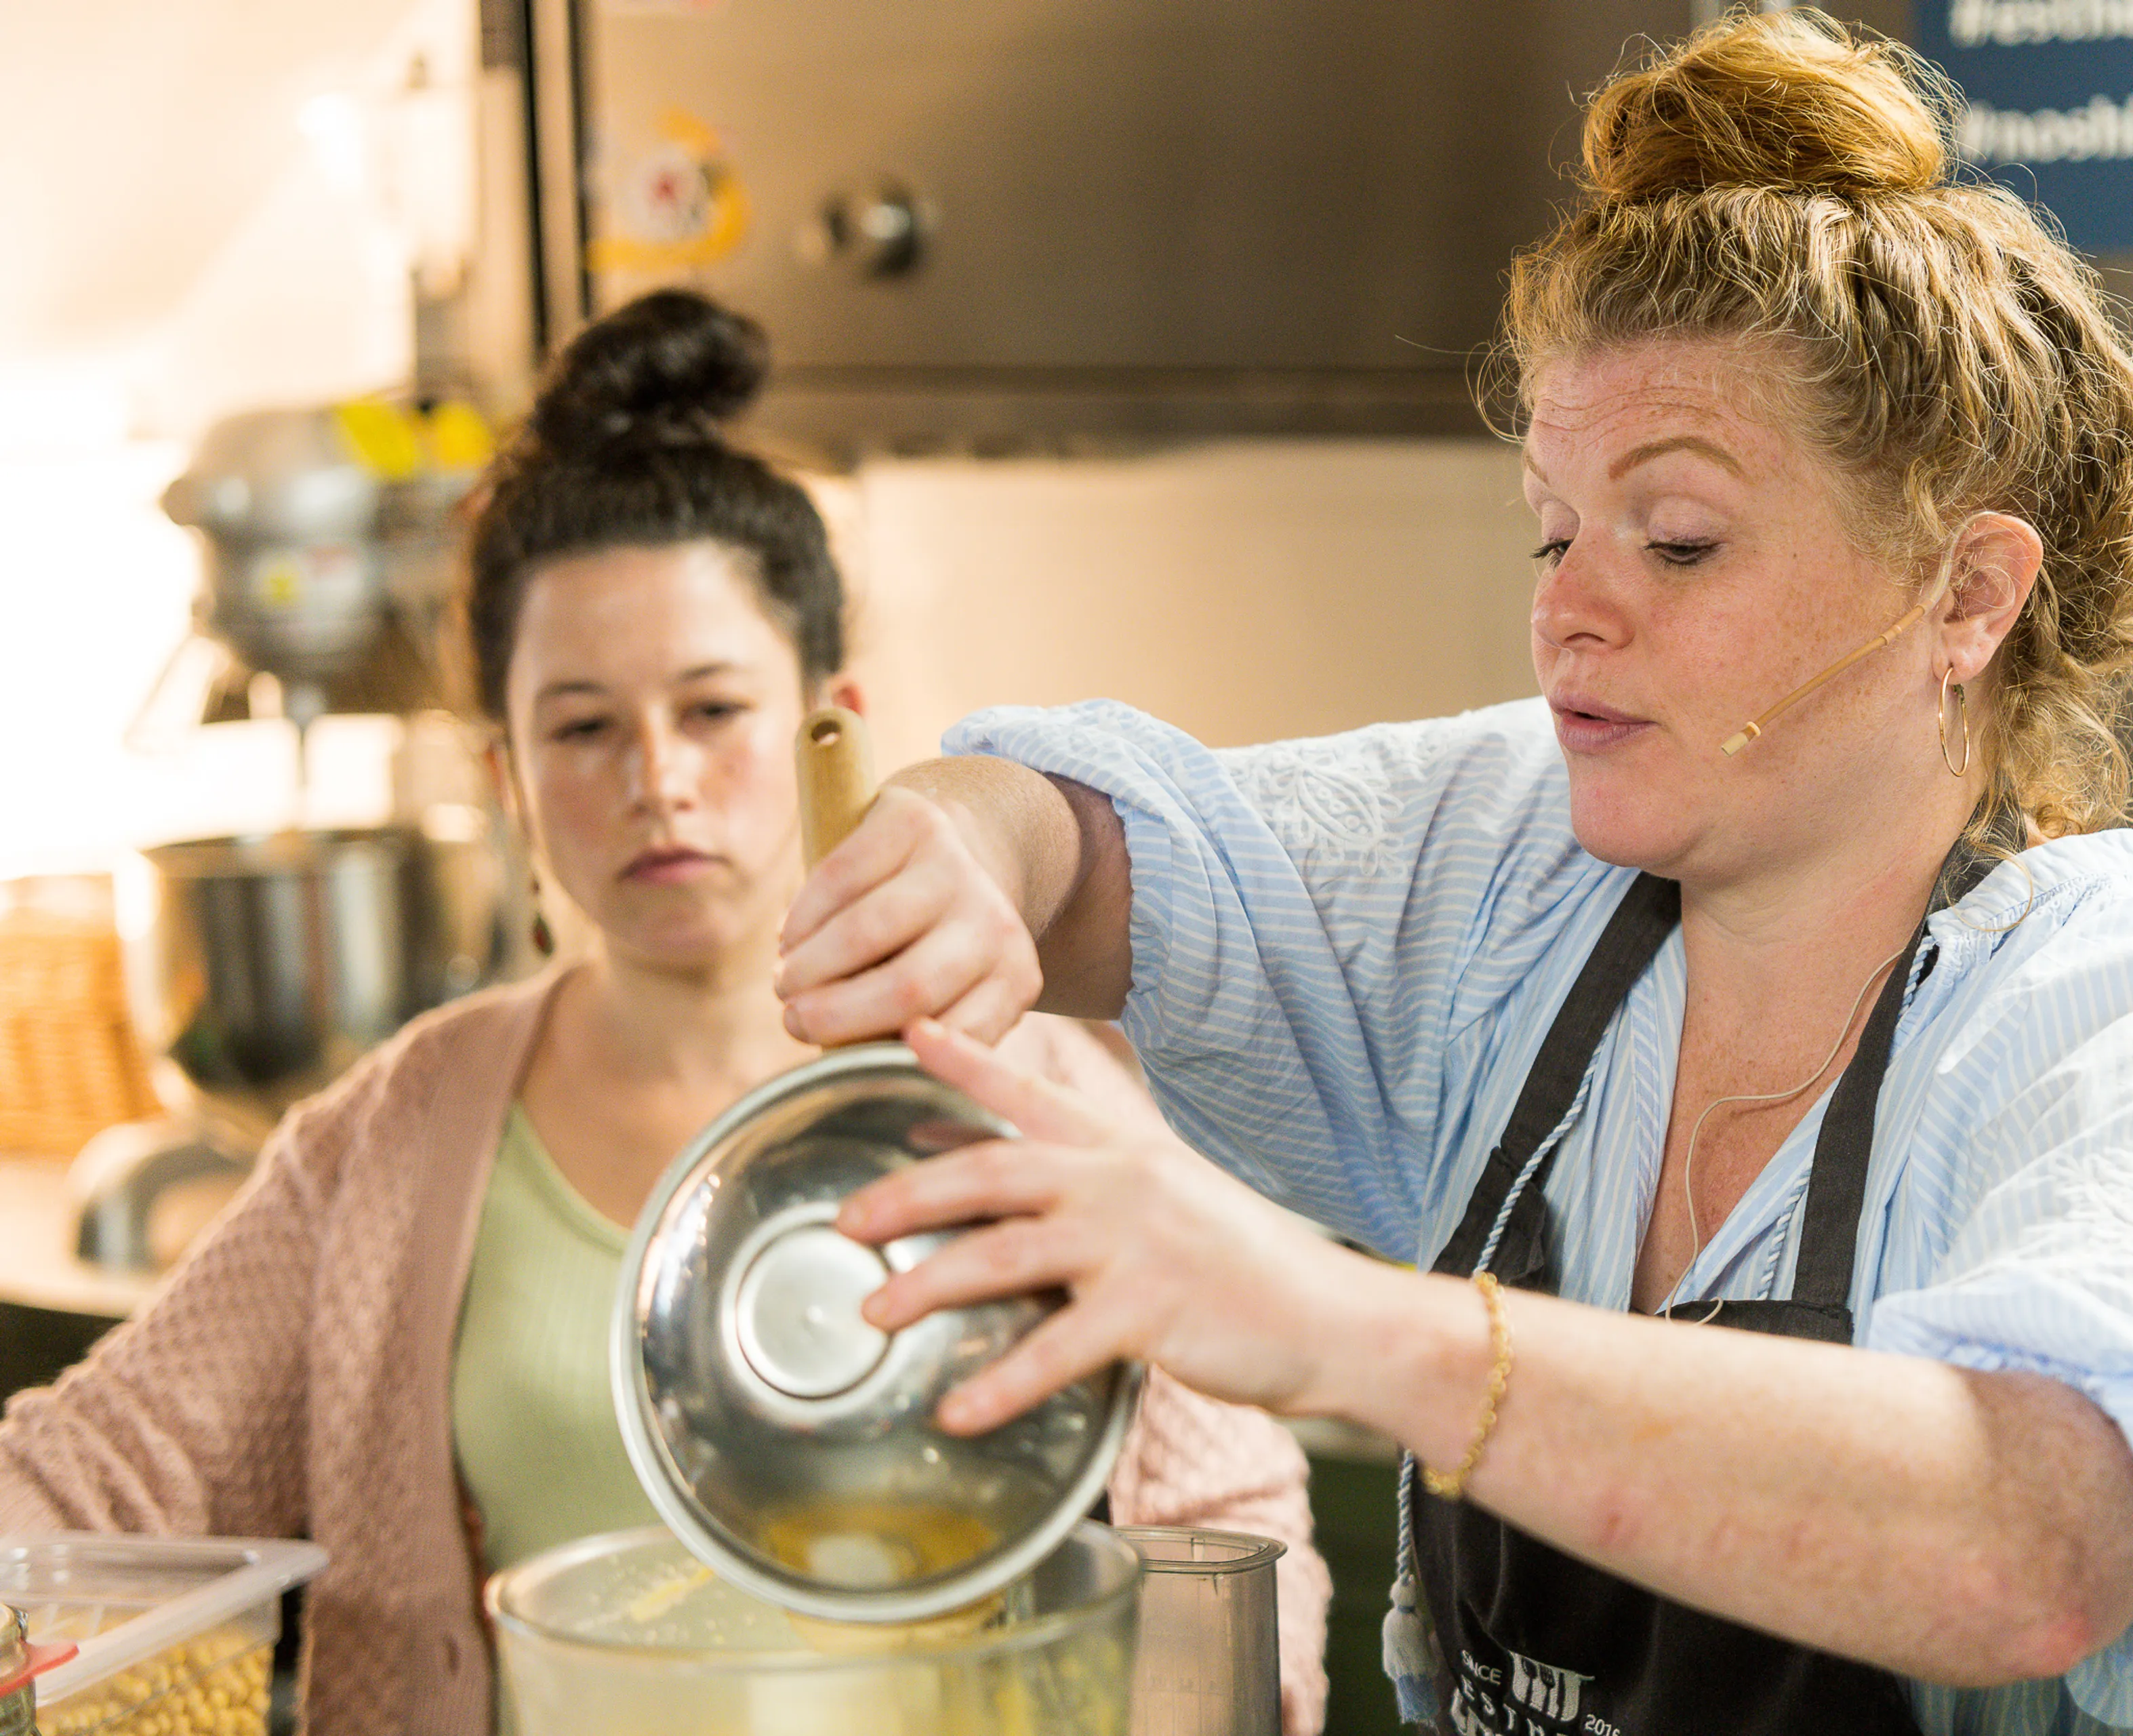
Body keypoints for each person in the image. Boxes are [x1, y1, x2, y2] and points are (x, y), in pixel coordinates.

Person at [769, 13, 2133, 1735]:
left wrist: (1337, 1322)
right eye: (1554, 527)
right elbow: (1138, 848)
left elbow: (2034, 1542)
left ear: (1966, 596)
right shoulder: (1526, 877)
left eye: (1678, 538)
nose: (1570, 604)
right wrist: (974, 836)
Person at [0, 291, 1330, 1736]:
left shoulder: (1032, 1092)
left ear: (832, 717)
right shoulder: (398, 1135)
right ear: (504, 774)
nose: (657, 777)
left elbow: (1227, 1526)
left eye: (712, 709)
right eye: (581, 726)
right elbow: (95, 1474)